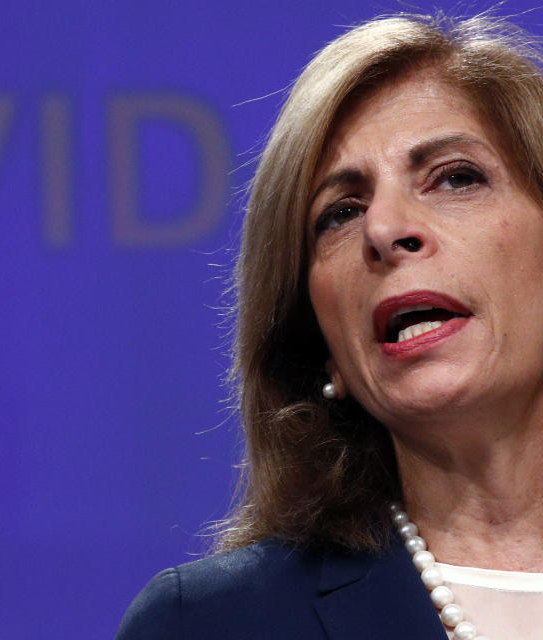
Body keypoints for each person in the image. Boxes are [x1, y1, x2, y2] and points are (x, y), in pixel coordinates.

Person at [116, 12, 543, 640]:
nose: (384, 229)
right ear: (325, 351)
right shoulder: (210, 624)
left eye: (455, 177)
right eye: (339, 214)